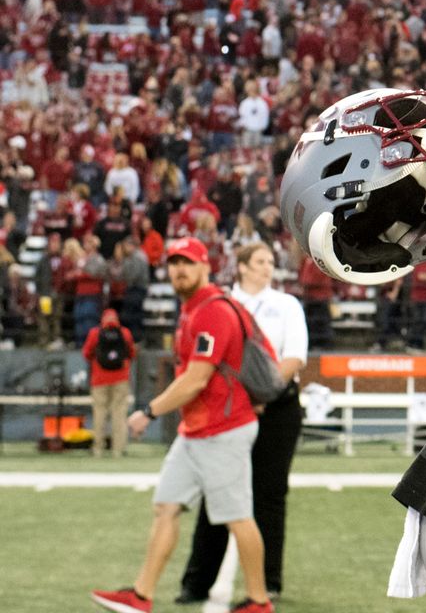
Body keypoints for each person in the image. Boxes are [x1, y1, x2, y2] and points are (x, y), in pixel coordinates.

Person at [90, 237, 274, 613]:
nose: (179, 270)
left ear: (205, 266)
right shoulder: (193, 308)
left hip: (223, 429)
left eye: (187, 262)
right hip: (196, 429)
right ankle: (141, 595)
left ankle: (259, 602)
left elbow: (196, 379)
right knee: (166, 507)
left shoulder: (211, 310)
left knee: (238, 518)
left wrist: (149, 411)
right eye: (174, 263)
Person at [178, 242, 308, 603]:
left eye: (271, 261)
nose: (269, 267)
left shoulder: (287, 305)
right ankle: (196, 582)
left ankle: (268, 583)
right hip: (229, 409)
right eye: (261, 261)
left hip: (277, 409)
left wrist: (262, 396)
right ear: (243, 266)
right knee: (216, 493)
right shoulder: (219, 304)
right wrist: (246, 401)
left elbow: (295, 357)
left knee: (269, 496)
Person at [82, 308, 137, 457]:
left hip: (99, 379)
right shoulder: (125, 333)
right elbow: (132, 353)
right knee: (119, 414)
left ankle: (98, 449)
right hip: (121, 379)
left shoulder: (95, 333)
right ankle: (118, 449)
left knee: (99, 414)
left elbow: (86, 353)